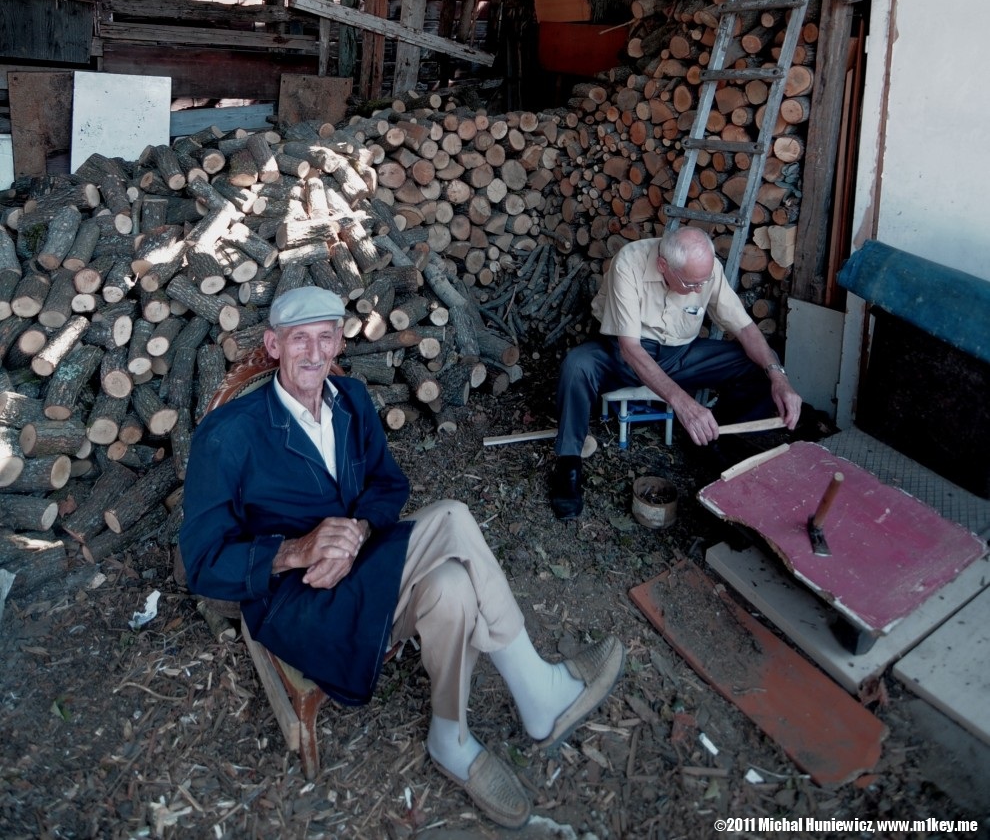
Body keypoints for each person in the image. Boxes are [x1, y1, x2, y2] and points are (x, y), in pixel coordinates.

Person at [180, 286, 626, 830]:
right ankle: (537, 691)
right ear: (273, 344)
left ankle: (451, 736)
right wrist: (297, 550)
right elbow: (203, 563)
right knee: (454, 516)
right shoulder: (228, 434)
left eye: (325, 338)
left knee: (453, 587)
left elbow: (388, 486)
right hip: (298, 603)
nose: (314, 353)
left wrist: (357, 532)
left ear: (339, 341)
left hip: (363, 569)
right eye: (300, 340)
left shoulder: (351, 401)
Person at [550, 227, 803, 519]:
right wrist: (684, 404)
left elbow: (745, 328)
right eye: (690, 283)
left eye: (703, 282)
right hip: (624, 355)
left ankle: (714, 437)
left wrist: (779, 376)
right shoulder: (629, 263)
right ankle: (568, 464)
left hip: (681, 355)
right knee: (576, 365)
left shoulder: (706, 270)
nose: (699, 289)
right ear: (663, 266)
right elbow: (631, 349)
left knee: (761, 363)